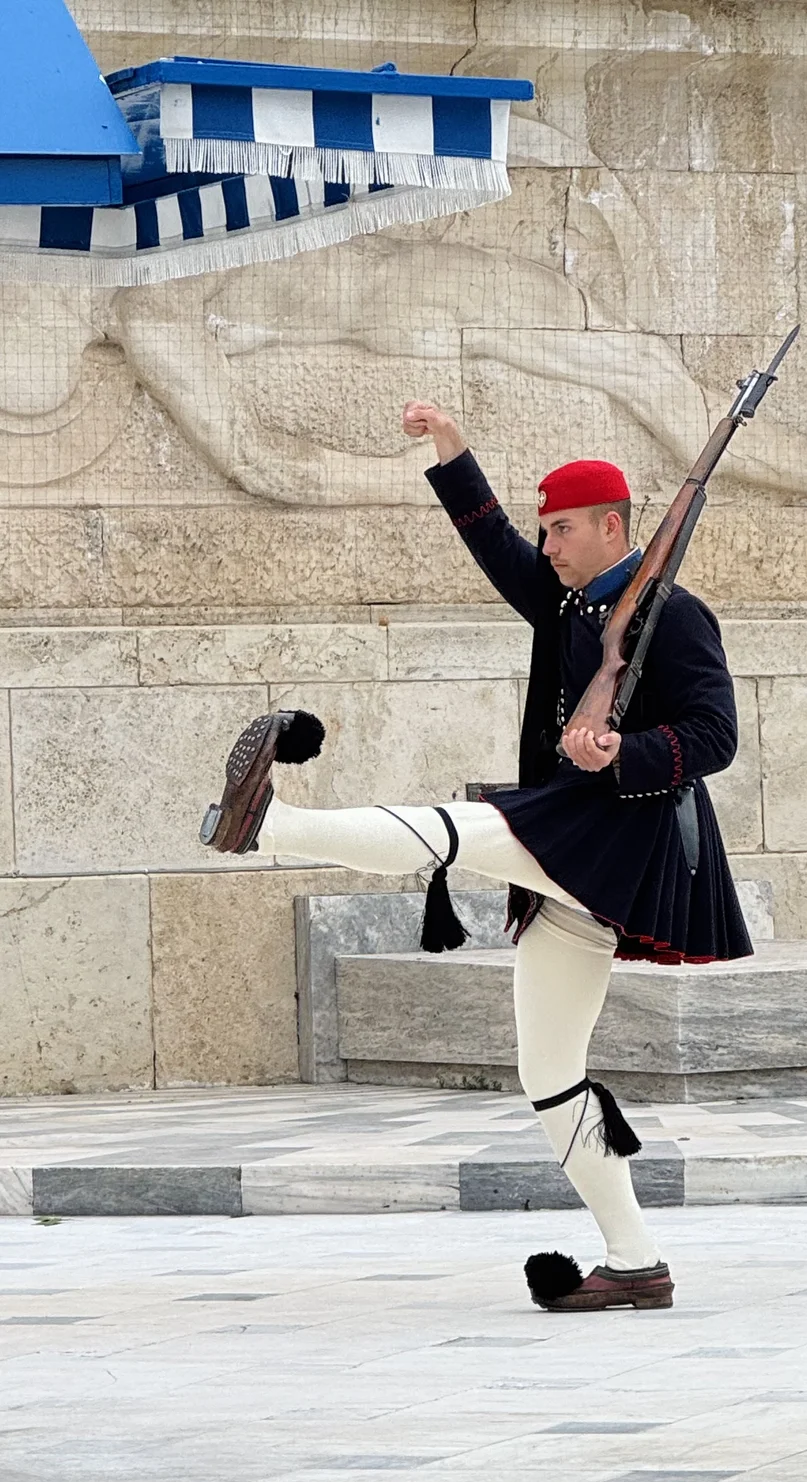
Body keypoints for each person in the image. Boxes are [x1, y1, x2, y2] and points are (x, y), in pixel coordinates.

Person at [200, 402, 752, 1313]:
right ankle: (636, 1261)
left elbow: (715, 736)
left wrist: (626, 754)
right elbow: (498, 552)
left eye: (563, 529)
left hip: (621, 837)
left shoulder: (673, 615)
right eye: (545, 529)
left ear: (613, 525)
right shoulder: (570, 602)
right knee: (549, 1075)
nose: (549, 544)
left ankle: (267, 822)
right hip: (577, 848)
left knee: (457, 828)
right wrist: (452, 454)